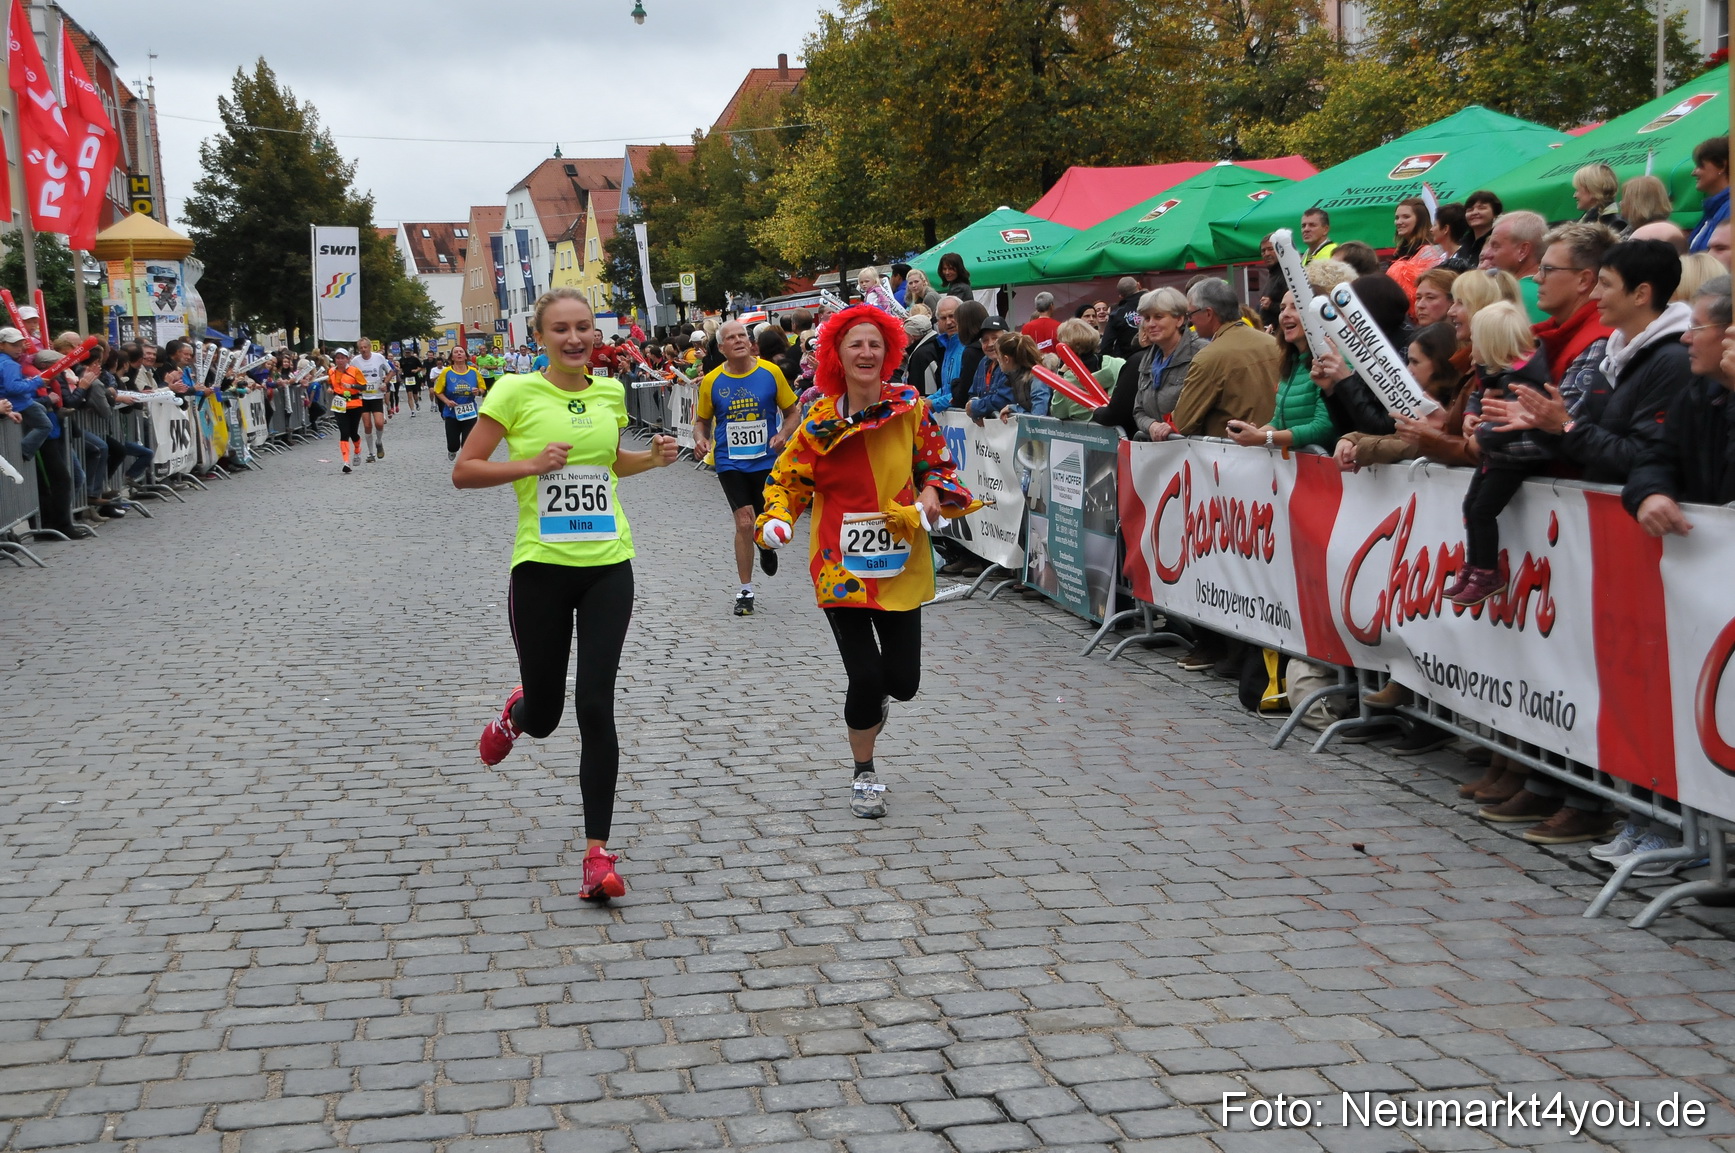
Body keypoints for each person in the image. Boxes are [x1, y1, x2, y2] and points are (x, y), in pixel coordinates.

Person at [455, 287, 679, 902]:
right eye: (561, 329)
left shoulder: (610, 390)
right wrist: (528, 466)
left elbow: (608, 465)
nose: (576, 338)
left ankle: (597, 855)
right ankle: (518, 712)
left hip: (609, 565)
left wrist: (652, 461)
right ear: (541, 336)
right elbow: (464, 471)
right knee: (550, 715)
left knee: (596, 704)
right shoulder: (514, 392)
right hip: (541, 570)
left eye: (584, 327)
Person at [754, 304, 973, 819]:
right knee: (865, 677)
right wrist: (779, 518)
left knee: (903, 683)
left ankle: (876, 705)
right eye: (856, 344)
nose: (867, 352)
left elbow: (937, 465)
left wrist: (933, 492)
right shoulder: (820, 423)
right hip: (841, 566)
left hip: (901, 562)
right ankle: (865, 771)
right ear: (836, 355)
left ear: (889, 352)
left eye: (875, 343)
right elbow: (787, 481)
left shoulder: (911, 407)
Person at [1482, 239, 1691, 486]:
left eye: (1605, 284)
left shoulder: (1673, 360)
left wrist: (1565, 424)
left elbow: (1641, 458)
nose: (1595, 294)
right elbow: (1584, 445)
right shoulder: (1619, 352)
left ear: (1641, 294)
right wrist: (1545, 424)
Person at [1444, 302, 1555, 608]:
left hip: (1516, 457)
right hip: (1498, 454)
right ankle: (1474, 565)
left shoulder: (1525, 380)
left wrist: (1482, 436)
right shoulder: (1497, 371)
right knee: (1471, 506)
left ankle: (1486, 571)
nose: (1470, 345)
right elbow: (1481, 397)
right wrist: (1471, 414)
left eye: (1476, 340)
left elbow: (1514, 424)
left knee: (1482, 510)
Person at [692, 319, 801, 616]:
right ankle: (745, 591)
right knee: (743, 521)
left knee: (764, 519)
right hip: (730, 461)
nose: (739, 340)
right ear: (722, 347)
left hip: (766, 460)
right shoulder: (713, 380)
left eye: (743, 335)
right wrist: (701, 440)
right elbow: (701, 421)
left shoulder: (770, 372)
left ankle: (765, 545)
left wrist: (782, 435)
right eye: (732, 337)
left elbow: (792, 412)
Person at [1624, 274, 1734, 532]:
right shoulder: (1698, 391)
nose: (1685, 338)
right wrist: (1651, 493)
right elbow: (1657, 456)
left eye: (1696, 328)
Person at [1225, 291, 1340, 453]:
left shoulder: (1335, 361)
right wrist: (1255, 434)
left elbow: (1323, 428)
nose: (1285, 314)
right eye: (1282, 308)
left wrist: (1264, 438)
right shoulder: (1291, 362)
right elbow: (1279, 421)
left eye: (1296, 307)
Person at [1123, 287, 1204, 440]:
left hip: (1195, 453)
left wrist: (1173, 425)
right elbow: (1138, 410)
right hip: (1160, 453)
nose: (1151, 324)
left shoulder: (1202, 353)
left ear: (1179, 319)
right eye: (1146, 318)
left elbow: (1205, 406)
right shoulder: (1147, 358)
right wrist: (1152, 426)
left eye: (1158, 317)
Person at [1046, 319, 1121, 422]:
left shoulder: (1068, 380)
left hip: (1089, 433)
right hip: (1123, 428)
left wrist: (1061, 375)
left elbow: (1058, 412)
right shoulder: (1118, 363)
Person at [966, 331, 1049, 423]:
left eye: (998, 357)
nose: (997, 360)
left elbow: (1038, 418)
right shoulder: (1013, 377)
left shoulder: (1038, 379)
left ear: (1006, 359)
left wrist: (1014, 409)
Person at [1480, 211, 1548, 322]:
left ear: (1523, 251)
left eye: (1495, 246)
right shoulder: (1552, 294)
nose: (1487, 254)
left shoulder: (1509, 296)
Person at [433, 345, 484, 461]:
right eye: (456, 352)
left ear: (466, 356)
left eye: (461, 352)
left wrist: (478, 391)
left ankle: (465, 464)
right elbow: (438, 391)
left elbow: (482, 388)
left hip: (470, 412)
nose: (459, 354)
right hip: (452, 413)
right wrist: (447, 401)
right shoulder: (446, 372)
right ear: (452, 357)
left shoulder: (474, 372)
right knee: (453, 445)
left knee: (467, 443)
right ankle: (452, 450)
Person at [351, 337, 396, 461]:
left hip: (376, 395)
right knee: (367, 425)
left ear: (370, 347)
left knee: (379, 423)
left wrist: (385, 383)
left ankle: (379, 442)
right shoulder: (355, 361)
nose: (363, 350)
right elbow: (350, 376)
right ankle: (371, 453)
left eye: (365, 347)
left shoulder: (378, 358)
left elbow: (391, 371)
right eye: (361, 348)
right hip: (363, 396)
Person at [326, 349, 366, 473]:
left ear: (347, 359)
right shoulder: (332, 371)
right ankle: (346, 462)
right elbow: (331, 384)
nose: (340, 360)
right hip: (339, 405)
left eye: (342, 358)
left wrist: (352, 386)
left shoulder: (354, 371)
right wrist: (330, 389)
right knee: (344, 432)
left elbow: (364, 386)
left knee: (353, 433)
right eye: (337, 358)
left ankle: (357, 448)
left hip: (354, 405)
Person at [1689, 136, 1730, 253]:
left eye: (1699, 165)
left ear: (1722, 166)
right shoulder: (1715, 209)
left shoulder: (1729, 209)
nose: (1693, 173)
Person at [1101, 276, 1145, 360]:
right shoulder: (1156, 305)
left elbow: (1105, 346)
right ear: (1139, 285)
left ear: (1121, 296)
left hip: (1128, 362)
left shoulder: (1117, 313)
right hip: (1159, 359)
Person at [1573, 163, 1625, 231]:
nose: (1574, 195)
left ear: (1592, 190)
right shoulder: (1589, 221)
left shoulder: (1614, 225)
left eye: (1577, 190)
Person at [1460, 190, 1502, 268]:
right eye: (1470, 210)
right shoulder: (1462, 243)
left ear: (1495, 213)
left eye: (1482, 208)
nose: (1475, 212)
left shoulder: (1499, 241)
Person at [1433, 203, 1474, 271]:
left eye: (1435, 225)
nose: (1431, 229)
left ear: (1446, 229)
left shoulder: (1464, 258)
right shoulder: (1442, 258)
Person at [399, 346, 424, 415]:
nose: (407, 354)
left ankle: (416, 402)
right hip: (407, 379)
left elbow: (421, 367)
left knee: (415, 395)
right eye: (406, 353)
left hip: (415, 378)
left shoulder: (415, 359)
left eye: (408, 353)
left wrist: (416, 370)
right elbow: (401, 368)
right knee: (409, 395)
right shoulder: (402, 360)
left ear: (411, 353)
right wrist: (400, 372)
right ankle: (412, 411)